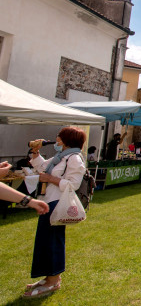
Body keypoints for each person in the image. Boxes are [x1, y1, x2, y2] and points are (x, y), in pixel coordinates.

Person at [24, 127, 87, 298]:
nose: (56, 139)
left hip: (58, 203)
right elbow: (43, 167)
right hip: (48, 201)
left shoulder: (74, 158)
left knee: (53, 240)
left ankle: (54, 279)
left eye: (60, 137)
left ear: (67, 140)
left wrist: (50, 179)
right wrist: (35, 152)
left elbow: (73, 184)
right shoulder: (61, 156)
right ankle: (48, 276)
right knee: (44, 240)